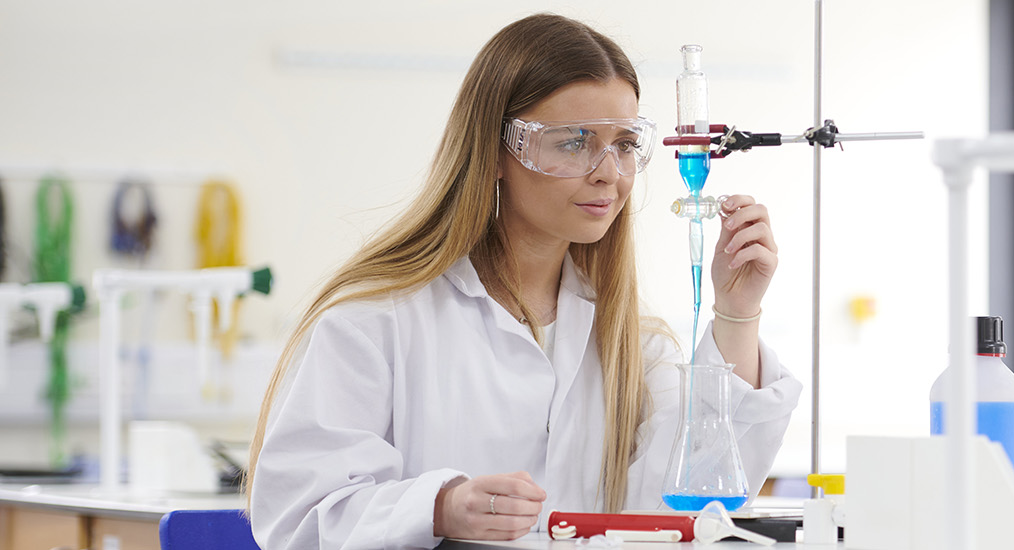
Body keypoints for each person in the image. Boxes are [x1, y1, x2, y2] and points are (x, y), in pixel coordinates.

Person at [245, 13, 802, 549]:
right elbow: (299, 518)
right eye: (573, 141)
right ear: (494, 152)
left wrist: (736, 313)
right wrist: (439, 507)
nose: (608, 171)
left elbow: (685, 509)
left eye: (626, 143)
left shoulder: (633, 345)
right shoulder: (373, 320)